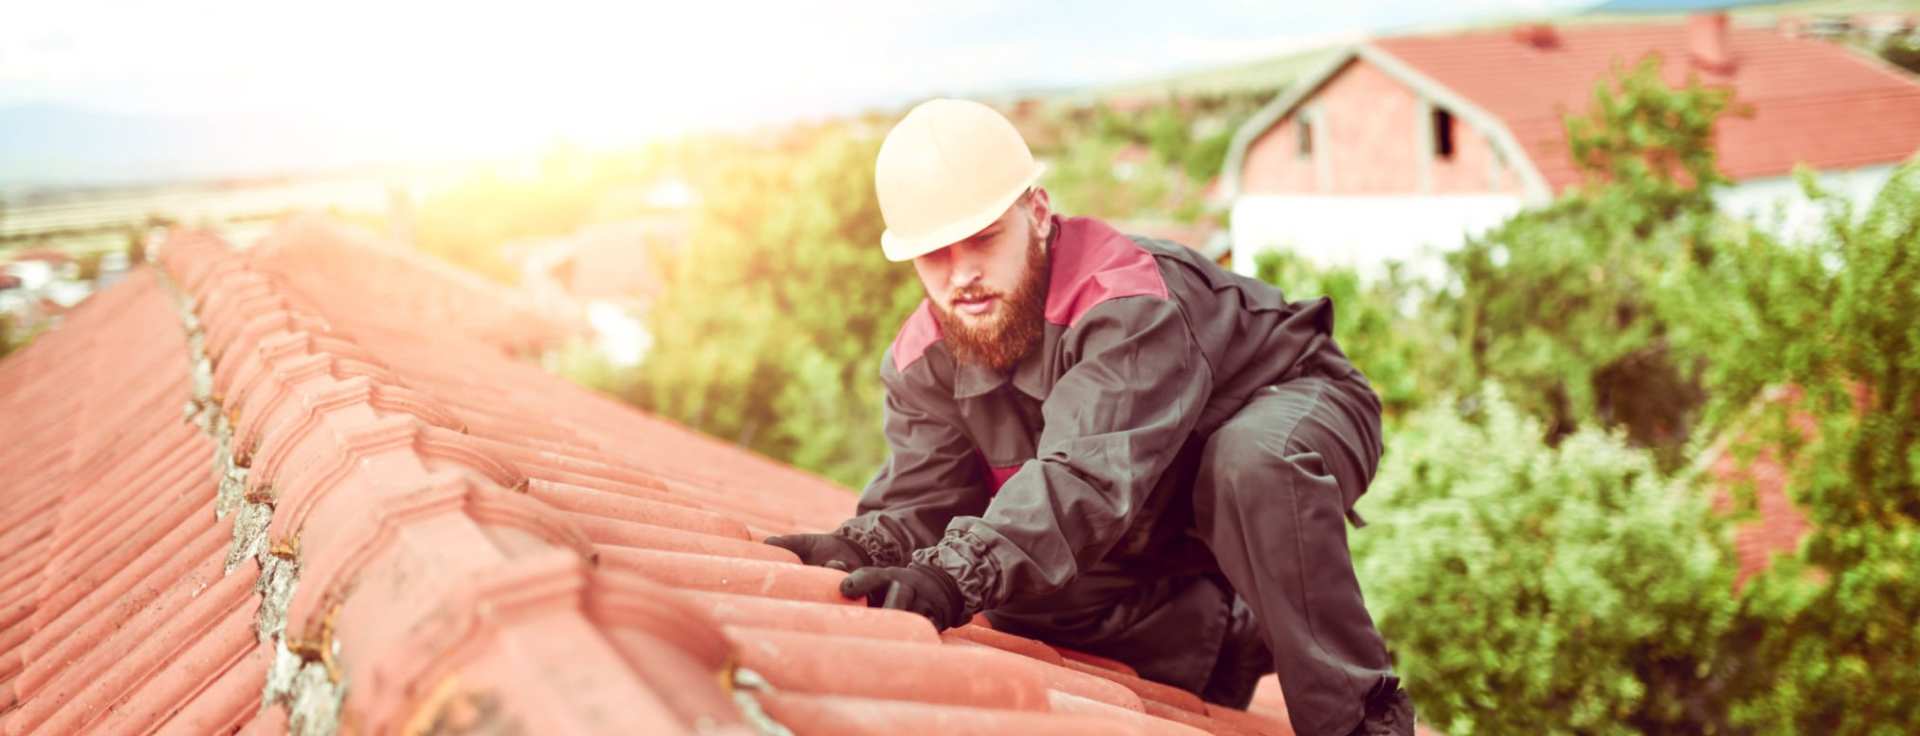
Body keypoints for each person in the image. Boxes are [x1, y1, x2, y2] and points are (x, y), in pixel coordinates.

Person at [766, 98, 1415, 736]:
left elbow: (1085, 475)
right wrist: (861, 546)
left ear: (1038, 213)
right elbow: (932, 498)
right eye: (935, 254)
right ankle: (1226, 638)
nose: (962, 274)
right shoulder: (922, 360)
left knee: (1248, 465)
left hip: (1291, 405)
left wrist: (951, 576)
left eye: (984, 239)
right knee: (1023, 587)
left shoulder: (1124, 300)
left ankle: (1361, 725)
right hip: (1155, 479)